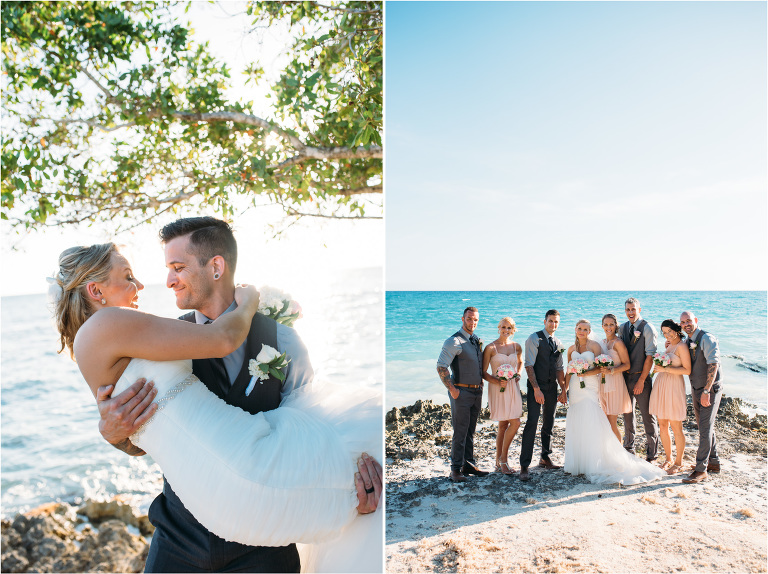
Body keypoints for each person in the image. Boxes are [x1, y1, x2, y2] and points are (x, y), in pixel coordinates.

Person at [54, 219, 382, 573]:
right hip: (180, 536)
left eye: (177, 268)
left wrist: (346, 493)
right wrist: (113, 433)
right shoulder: (159, 337)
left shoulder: (283, 342)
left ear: (216, 267)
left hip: (263, 543)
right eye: (165, 269)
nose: (164, 281)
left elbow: (309, 429)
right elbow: (150, 430)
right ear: (95, 291)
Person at [563, 319, 665, 485]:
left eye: (585, 329)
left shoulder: (595, 346)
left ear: (590, 331)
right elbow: (568, 370)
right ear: (575, 329)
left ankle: (601, 458)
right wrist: (563, 389)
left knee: (594, 419)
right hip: (575, 389)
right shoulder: (571, 349)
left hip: (590, 387)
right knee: (577, 420)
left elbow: (598, 367)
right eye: (579, 328)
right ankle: (579, 461)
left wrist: (586, 373)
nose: (582, 331)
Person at [437, 307, 489, 483]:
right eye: (469, 319)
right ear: (462, 319)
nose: (472, 322)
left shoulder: (476, 340)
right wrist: (452, 389)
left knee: (470, 431)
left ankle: (468, 464)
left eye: (475, 320)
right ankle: (455, 469)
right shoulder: (453, 341)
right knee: (460, 431)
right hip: (461, 391)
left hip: (476, 391)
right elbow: (441, 366)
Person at [519, 310, 567, 482]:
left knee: (549, 423)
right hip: (536, 387)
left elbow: (560, 368)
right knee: (532, 422)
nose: (553, 324)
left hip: (552, 387)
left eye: (556, 322)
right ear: (544, 321)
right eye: (551, 321)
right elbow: (529, 366)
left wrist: (563, 389)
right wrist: (536, 389)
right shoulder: (534, 338)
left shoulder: (558, 342)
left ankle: (545, 457)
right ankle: (524, 465)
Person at [680, 311, 723, 484]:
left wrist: (707, 391)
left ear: (696, 321)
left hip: (709, 390)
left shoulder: (707, 338)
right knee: (704, 426)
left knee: (704, 429)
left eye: (688, 321)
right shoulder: (688, 341)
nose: (686, 324)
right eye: (683, 322)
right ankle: (713, 462)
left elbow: (714, 364)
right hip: (696, 388)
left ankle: (700, 470)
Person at [482, 317, 523, 475]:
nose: (506, 330)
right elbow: (484, 372)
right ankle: (504, 461)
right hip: (497, 388)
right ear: (499, 328)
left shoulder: (516, 347)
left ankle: (498, 462)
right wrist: (497, 381)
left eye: (510, 328)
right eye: (504, 327)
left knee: (505, 425)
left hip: (512, 387)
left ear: (513, 330)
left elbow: (520, 362)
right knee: (514, 423)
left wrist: (518, 374)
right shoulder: (491, 348)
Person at [620, 297, 660, 461]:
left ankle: (652, 454)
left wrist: (642, 380)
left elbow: (650, 357)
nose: (630, 312)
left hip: (641, 378)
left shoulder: (648, 328)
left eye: (633, 309)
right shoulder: (622, 328)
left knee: (647, 416)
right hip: (624, 378)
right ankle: (629, 449)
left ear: (639, 310)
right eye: (628, 309)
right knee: (627, 415)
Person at [649, 319, 690, 475]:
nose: (667, 335)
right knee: (663, 424)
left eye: (669, 331)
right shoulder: (670, 345)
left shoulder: (682, 347)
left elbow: (687, 370)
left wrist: (665, 369)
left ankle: (679, 462)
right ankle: (669, 458)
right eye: (664, 333)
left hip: (674, 386)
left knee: (676, 426)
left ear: (677, 330)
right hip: (662, 384)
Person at [596, 314, 632, 442]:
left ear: (616, 326)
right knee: (605, 421)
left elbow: (627, 364)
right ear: (602, 326)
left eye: (611, 324)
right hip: (603, 384)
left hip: (615, 384)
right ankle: (609, 453)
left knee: (611, 422)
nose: (608, 327)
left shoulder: (618, 343)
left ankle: (618, 454)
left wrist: (611, 370)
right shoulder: (602, 342)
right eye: (605, 324)